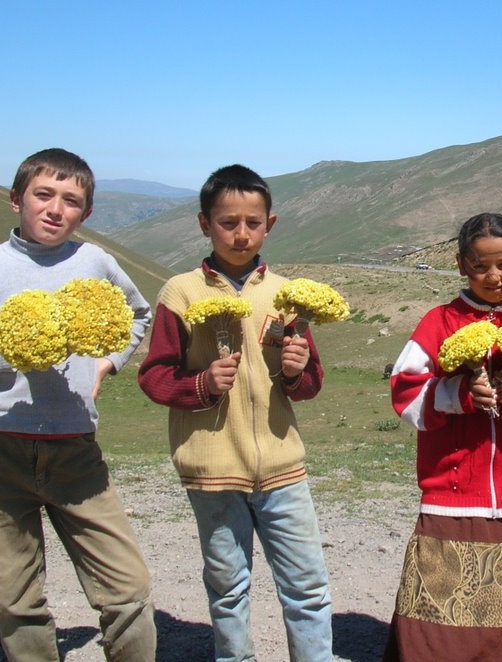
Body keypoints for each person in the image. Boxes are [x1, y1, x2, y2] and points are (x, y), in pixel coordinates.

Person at [0, 148, 156, 661]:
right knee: (14, 599)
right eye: (43, 195)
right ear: (16, 199)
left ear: (86, 213)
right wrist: (12, 351)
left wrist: (108, 363)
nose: (56, 209)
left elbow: (138, 314)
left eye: (71, 201)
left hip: (74, 445)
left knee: (127, 590)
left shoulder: (95, 262)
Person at [137, 164, 332, 662]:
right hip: (213, 470)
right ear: (205, 224)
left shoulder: (287, 296)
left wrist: (297, 370)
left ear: (271, 223)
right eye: (228, 222)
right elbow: (153, 375)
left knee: (308, 589)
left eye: (253, 221)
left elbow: (308, 386)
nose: (241, 233)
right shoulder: (180, 293)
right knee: (228, 590)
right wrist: (201, 385)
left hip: (283, 466)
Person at [382, 212, 502, 662]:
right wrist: (455, 393)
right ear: (461, 264)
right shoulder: (439, 323)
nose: (493, 276)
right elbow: (404, 393)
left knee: (498, 615)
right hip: (449, 494)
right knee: (430, 613)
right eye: (480, 266)